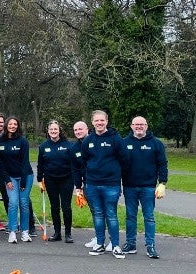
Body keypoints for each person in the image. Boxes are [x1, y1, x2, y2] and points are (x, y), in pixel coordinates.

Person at [81, 110, 128, 259]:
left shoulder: (116, 139)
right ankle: (100, 244)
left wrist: (116, 177)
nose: (99, 123)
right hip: (92, 184)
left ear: (107, 121)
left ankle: (115, 246)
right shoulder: (88, 140)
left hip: (111, 185)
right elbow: (84, 160)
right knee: (98, 215)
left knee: (111, 215)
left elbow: (124, 159)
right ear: (92, 122)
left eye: (102, 120)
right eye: (96, 121)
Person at [121, 116, 168, 259]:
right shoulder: (124, 143)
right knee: (130, 217)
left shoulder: (156, 143)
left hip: (148, 187)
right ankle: (130, 244)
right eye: (136, 124)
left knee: (149, 217)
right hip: (129, 187)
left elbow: (162, 164)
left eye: (142, 125)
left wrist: (162, 183)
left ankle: (150, 246)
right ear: (131, 126)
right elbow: (119, 164)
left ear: (146, 126)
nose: (139, 127)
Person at [0, 116, 33, 244]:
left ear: (18, 126)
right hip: (9, 176)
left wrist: (23, 181)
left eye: (15, 124)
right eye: (10, 124)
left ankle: (25, 232)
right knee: (13, 202)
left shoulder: (23, 141)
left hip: (25, 176)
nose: (12, 126)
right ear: (6, 125)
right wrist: (7, 180)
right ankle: (12, 232)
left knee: (24, 203)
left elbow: (25, 162)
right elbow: (0, 163)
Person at [37, 120, 74, 243]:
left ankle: (68, 233)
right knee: (54, 206)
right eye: (51, 129)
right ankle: (57, 233)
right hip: (50, 180)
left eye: (55, 129)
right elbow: (40, 164)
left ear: (59, 131)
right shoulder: (43, 146)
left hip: (66, 179)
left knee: (66, 207)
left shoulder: (68, 145)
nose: (53, 131)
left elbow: (74, 163)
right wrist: (39, 179)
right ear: (48, 131)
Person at [72, 120, 97, 248]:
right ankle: (99, 237)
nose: (78, 132)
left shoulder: (95, 141)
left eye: (80, 129)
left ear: (87, 129)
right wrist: (78, 188)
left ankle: (111, 239)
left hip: (101, 182)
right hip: (87, 184)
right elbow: (76, 169)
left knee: (106, 212)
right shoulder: (75, 148)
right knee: (94, 212)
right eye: (75, 130)